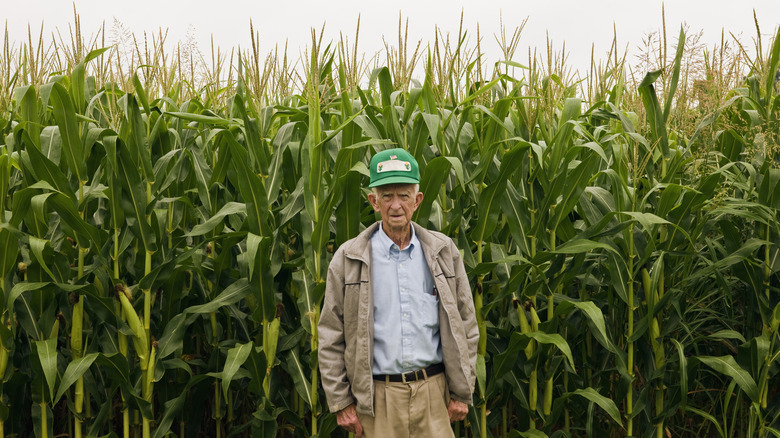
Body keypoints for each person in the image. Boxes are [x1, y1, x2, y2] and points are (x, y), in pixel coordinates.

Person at [318, 148, 479, 437]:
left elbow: (466, 324)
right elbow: (330, 335)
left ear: (417, 201)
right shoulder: (349, 258)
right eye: (386, 196)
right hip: (377, 401)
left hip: (434, 395)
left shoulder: (444, 253)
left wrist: (462, 390)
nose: (395, 205)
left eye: (403, 195)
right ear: (374, 201)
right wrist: (341, 402)